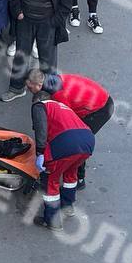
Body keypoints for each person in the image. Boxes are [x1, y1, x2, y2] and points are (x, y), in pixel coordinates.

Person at [2, 0, 70, 101]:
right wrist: (17, 11)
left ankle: (49, 93)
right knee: (21, 56)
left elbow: (66, 5)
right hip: (25, 20)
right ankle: (16, 88)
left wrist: (53, 23)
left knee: (48, 60)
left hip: (47, 23)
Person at [26, 68, 112, 188]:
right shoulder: (52, 81)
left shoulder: (59, 95)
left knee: (78, 140)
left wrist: (43, 148)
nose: (29, 90)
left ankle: (79, 178)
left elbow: (65, 120)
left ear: (39, 84)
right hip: (97, 99)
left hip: (100, 109)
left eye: (30, 88)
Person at [30, 94, 94, 229]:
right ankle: (68, 206)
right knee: (71, 173)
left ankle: (52, 221)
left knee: (50, 179)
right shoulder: (62, 106)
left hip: (67, 142)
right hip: (88, 140)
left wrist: (40, 153)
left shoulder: (39, 106)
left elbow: (41, 130)